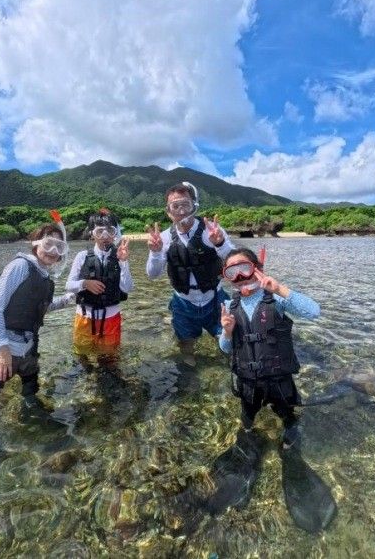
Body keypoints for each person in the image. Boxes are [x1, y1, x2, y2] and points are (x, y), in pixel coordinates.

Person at [214, 246, 336, 532]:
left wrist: (280, 288)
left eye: (245, 268)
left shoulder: (275, 299)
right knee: (246, 422)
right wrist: (227, 331)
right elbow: (225, 348)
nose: (242, 277)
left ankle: (290, 446)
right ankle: (248, 442)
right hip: (248, 385)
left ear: (257, 267)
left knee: (291, 421)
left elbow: (314, 311)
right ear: (228, 278)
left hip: (280, 384)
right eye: (233, 272)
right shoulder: (230, 307)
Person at [0, 220, 75, 423]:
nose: (53, 250)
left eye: (59, 246)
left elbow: (40, 308)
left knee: (30, 390)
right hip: (0, 349)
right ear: (36, 244)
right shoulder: (19, 266)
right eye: (48, 243)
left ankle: (31, 422)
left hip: (26, 348)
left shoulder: (44, 276)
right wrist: (3, 350)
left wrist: (69, 299)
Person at [146, 182, 234, 365]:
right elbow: (152, 275)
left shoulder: (212, 231)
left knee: (229, 343)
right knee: (186, 344)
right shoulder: (163, 238)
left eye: (185, 204)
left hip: (214, 297)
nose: (181, 211)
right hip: (183, 301)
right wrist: (155, 253)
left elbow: (235, 262)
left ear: (194, 205)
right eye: (175, 206)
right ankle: (190, 369)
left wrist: (220, 244)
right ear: (168, 211)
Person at [65, 209, 133, 366]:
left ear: (115, 234)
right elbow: (69, 285)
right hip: (84, 317)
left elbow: (128, 288)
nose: (105, 236)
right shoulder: (82, 256)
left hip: (111, 317)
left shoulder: (120, 256)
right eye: (99, 231)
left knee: (109, 360)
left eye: (110, 231)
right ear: (92, 234)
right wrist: (85, 283)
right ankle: (86, 377)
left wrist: (123, 262)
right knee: (82, 355)